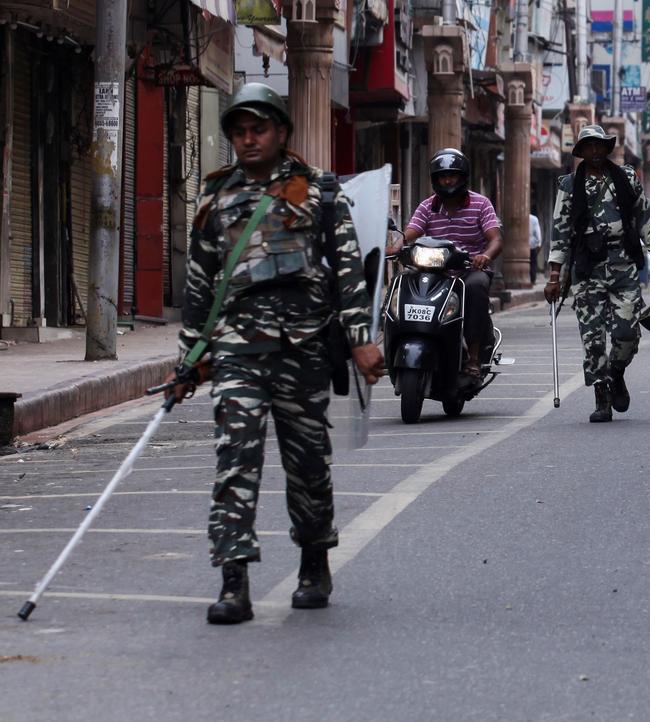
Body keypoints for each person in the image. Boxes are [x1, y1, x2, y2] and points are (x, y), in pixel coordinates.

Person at [166, 82, 386, 625]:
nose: (248, 139)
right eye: (239, 131)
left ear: (282, 132)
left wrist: (361, 339)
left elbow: (348, 273)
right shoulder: (216, 198)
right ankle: (233, 578)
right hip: (237, 350)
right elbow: (200, 284)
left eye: (258, 129)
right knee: (234, 460)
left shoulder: (319, 194)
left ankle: (314, 561)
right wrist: (188, 358)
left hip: (304, 348)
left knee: (307, 464)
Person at [544, 125, 650, 422]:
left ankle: (616, 371)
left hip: (624, 263)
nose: (595, 151)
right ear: (582, 152)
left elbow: (644, 218)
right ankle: (601, 397)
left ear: (606, 148)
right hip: (587, 266)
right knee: (593, 337)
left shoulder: (625, 178)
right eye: (589, 146)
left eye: (600, 145)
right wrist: (554, 275)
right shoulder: (569, 185)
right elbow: (560, 231)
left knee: (627, 333)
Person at [400, 149, 502, 378]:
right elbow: (410, 233)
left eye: (452, 175)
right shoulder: (428, 206)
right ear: (435, 180)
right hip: (435, 270)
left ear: (462, 176)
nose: (447, 180)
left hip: (469, 270)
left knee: (475, 288)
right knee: (405, 283)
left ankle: (474, 358)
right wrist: (394, 246)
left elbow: (495, 239)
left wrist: (485, 256)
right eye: (442, 176)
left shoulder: (481, 204)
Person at [529, 212, 543, 287]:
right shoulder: (534, 219)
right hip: (531, 245)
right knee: (533, 263)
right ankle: (532, 280)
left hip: (519, 246)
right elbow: (538, 235)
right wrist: (539, 244)